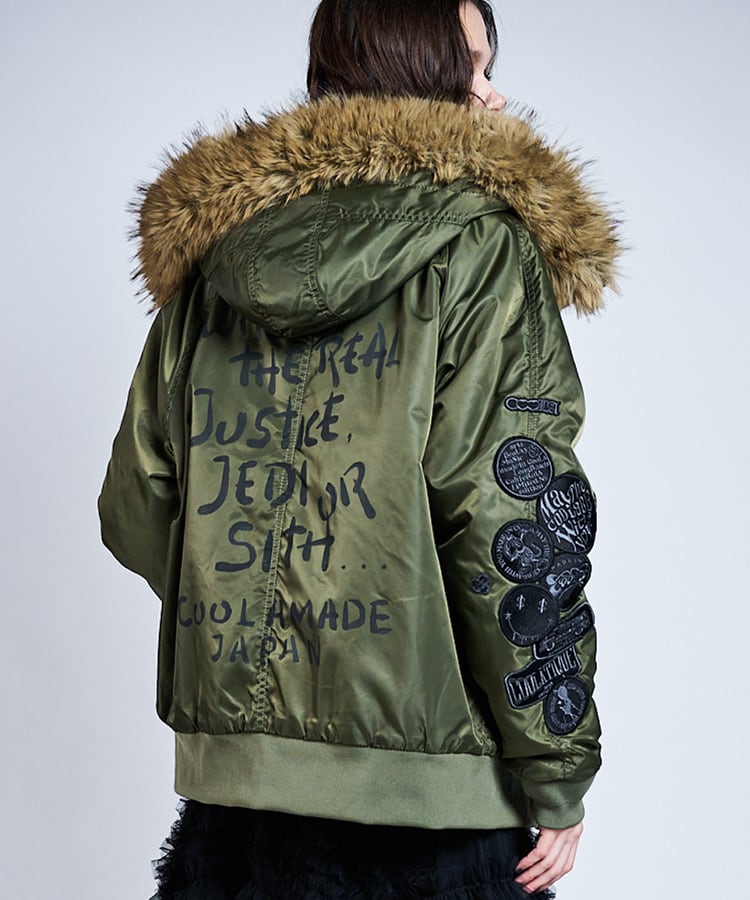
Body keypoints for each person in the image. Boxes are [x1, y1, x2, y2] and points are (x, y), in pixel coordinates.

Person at [99, 0, 620, 896]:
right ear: (412, 67)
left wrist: (241, 610)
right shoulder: (481, 247)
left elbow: (137, 504)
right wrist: (557, 763)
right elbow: (513, 522)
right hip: (430, 815)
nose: (494, 96)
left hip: (236, 804)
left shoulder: (216, 258)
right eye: (474, 66)